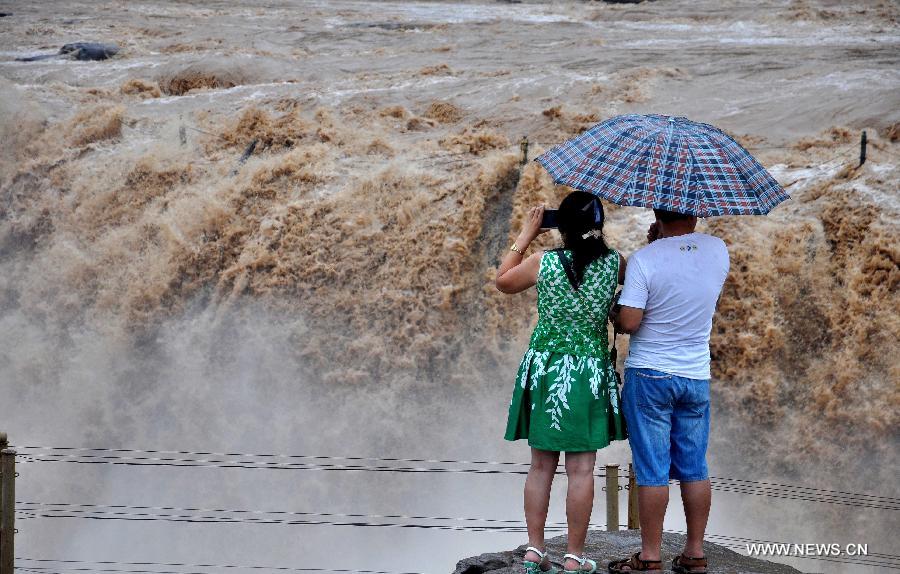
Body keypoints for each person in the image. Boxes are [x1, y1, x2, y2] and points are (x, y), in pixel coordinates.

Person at [496, 191, 627, 574]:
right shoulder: (615, 265)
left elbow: (502, 282)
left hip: (546, 368)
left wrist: (525, 234)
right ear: (598, 227)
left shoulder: (542, 261)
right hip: (587, 371)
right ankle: (573, 555)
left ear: (560, 227)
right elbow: (641, 284)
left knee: (540, 467)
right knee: (582, 470)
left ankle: (535, 551)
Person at [607, 209, 730, 574]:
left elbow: (630, 321)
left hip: (651, 376)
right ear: (697, 212)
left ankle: (650, 557)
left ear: (657, 214)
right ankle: (694, 553)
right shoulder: (718, 249)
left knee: (653, 470)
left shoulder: (646, 259)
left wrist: (615, 313)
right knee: (694, 466)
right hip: (695, 376)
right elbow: (693, 286)